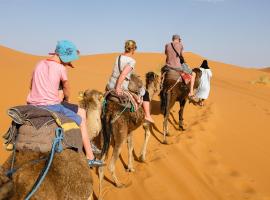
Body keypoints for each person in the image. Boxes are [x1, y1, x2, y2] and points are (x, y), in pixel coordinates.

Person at [27, 40, 103, 167]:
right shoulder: (60, 68)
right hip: (52, 105)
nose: (69, 63)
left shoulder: (39, 64)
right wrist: (66, 99)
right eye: (69, 60)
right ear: (65, 56)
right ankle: (90, 156)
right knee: (81, 117)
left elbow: (31, 84)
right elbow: (66, 88)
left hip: (32, 104)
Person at [106, 40, 154, 123]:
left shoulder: (118, 57)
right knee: (145, 93)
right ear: (133, 49)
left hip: (110, 84)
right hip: (121, 85)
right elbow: (123, 74)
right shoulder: (131, 61)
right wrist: (118, 87)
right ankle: (147, 115)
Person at [164, 34, 197, 98]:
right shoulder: (180, 45)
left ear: (172, 39)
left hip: (167, 66)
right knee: (193, 74)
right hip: (177, 67)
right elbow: (181, 55)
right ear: (178, 39)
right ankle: (191, 92)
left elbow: (166, 53)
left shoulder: (167, 45)